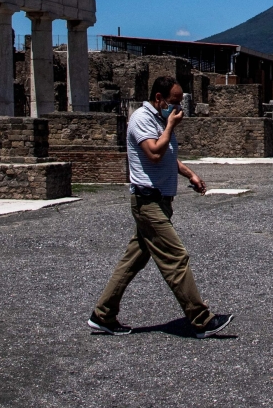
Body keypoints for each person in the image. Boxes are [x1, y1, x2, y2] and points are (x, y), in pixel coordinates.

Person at [88, 76, 233, 338]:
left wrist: (190, 174)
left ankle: (102, 315)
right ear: (158, 99)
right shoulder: (142, 119)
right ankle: (201, 319)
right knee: (175, 257)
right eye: (174, 102)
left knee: (131, 262)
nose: (178, 108)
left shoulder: (158, 120)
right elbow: (154, 153)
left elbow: (168, 157)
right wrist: (169, 127)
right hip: (148, 202)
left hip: (160, 202)